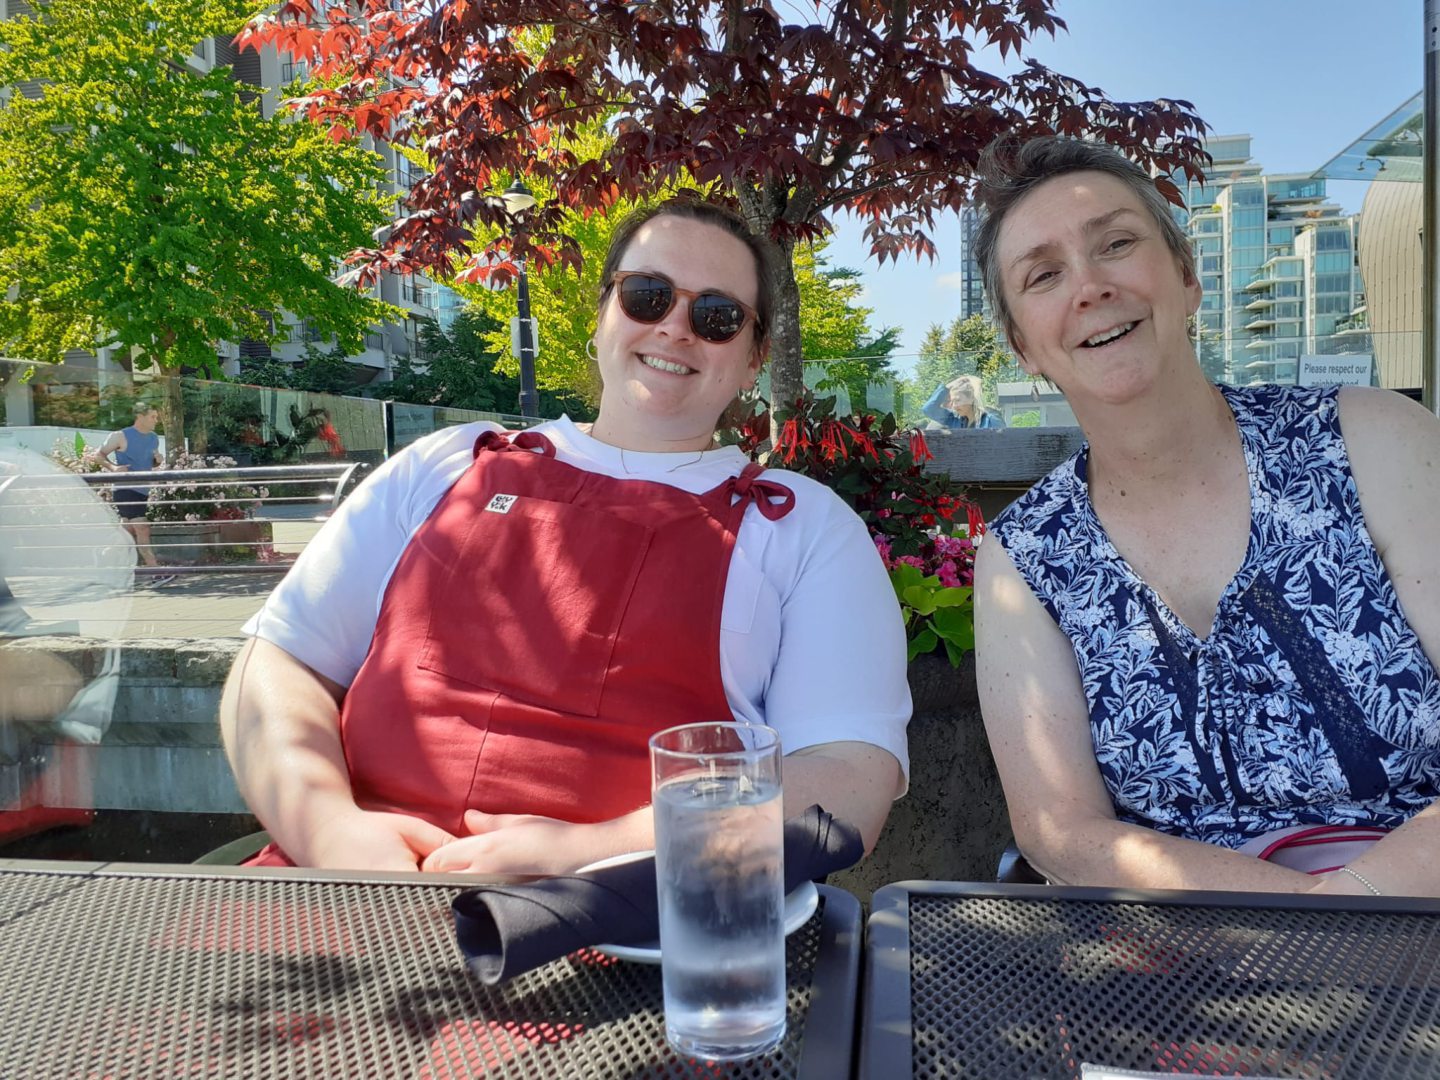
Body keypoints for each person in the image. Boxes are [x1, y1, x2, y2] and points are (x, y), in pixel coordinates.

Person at [220, 198, 910, 875]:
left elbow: (847, 779)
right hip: (328, 890)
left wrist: (590, 853)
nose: (675, 328)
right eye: (647, 295)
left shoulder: (804, 529)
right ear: (603, 313)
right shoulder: (443, 464)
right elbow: (280, 663)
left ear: (754, 358)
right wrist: (332, 834)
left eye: (717, 316)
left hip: (627, 929)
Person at [971, 136, 1440, 897]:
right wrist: (1303, 926)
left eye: (1116, 244)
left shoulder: (1374, 443)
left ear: (1186, 277)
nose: (1089, 287)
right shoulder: (1026, 557)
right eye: (1045, 275)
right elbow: (1061, 833)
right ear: (1024, 346)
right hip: (1189, 967)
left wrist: (1352, 910)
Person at [98, 402, 173, 585]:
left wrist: (157, 461)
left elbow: (150, 462)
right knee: (142, 528)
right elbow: (99, 455)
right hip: (125, 489)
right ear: (140, 416)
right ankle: (155, 572)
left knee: (127, 532)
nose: (156, 420)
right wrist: (114, 467)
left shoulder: (154, 438)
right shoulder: (120, 436)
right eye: (152, 417)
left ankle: (102, 559)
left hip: (142, 489)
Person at [921, 374, 1004, 430]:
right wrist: (947, 386)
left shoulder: (991, 420)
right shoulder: (953, 419)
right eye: (953, 401)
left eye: (957, 400)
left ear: (971, 398)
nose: (954, 406)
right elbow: (928, 409)